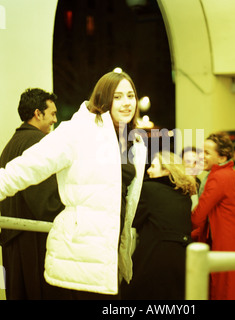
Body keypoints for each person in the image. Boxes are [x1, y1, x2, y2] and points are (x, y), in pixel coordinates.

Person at [0, 71, 147, 299]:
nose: (126, 102)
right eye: (117, 97)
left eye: (130, 95)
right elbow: (25, 168)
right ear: (103, 99)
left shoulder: (134, 142)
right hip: (77, 257)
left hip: (108, 258)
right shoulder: (78, 131)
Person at [0, 88, 69, 300]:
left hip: (12, 241)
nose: (55, 120)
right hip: (33, 244)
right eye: (53, 114)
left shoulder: (11, 144)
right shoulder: (37, 142)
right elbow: (45, 203)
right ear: (38, 113)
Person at [121, 151, 197, 300]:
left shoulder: (149, 190)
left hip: (153, 258)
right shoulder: (185, 197)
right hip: (180, 261)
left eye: (153, 166)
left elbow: (133, 220)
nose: (148, 170)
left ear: (166, 170)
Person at [191, 131, 235, 300]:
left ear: (222, 157)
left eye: (207, 153)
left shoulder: (217, 177)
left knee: (224, 293)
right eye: (201, 151)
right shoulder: (233, 174)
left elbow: (198, 216)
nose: (201, 156)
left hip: (226, 247)